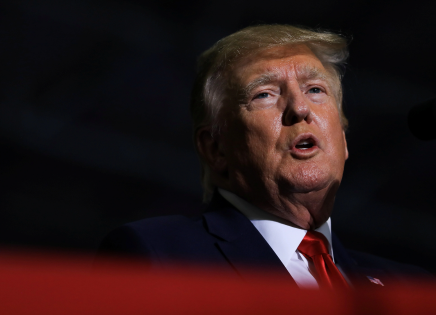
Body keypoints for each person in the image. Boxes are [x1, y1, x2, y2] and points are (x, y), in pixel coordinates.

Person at [98, 24, 430, 289]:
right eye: (265, 94)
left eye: (315, 89)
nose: (300, 109)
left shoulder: (411, 285)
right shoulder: (159, 254)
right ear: (216, 149)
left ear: (342, 140)